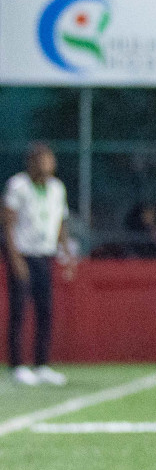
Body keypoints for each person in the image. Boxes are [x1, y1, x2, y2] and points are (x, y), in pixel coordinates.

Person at [3, 143, 74, 386]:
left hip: (45, 254)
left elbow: (61, 221)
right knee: (19, 310)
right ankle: (18, 365)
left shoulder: (57, 187)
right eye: (44, 159)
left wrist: (66, 251)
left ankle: (42, 364)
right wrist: (14, 258)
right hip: (23, 254)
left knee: (45, 311)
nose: (49, 164)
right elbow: (8, 223)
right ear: (32, 162)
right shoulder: (18, 185)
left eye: (50, 159)